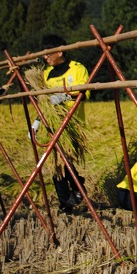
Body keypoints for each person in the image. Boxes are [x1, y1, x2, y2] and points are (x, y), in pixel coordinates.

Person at [40, 34, 90, 213]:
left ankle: (75, 191)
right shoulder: (46, 74)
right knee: (56, 165)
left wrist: (64, 96)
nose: (46, 58)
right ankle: (67, 200)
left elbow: (84, 93)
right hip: (52, 125)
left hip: (72, 124)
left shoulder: (77, 69)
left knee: (63, 162)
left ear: (60, 50)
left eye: (48, 54)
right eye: (44, 55)